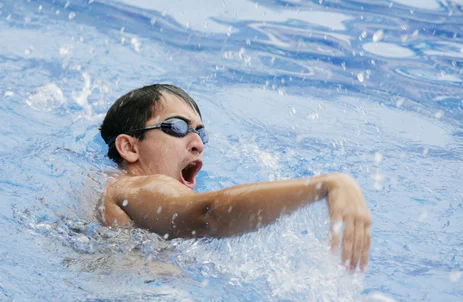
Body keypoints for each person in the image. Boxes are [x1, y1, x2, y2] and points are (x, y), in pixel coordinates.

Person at [98, 84, 372, 271]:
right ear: (130, 147)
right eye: (177, 127)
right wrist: (325, 185)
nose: (198, 144)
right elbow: (209, 215)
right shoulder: (131, 187)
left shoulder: (111, 196)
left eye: (201, 133)